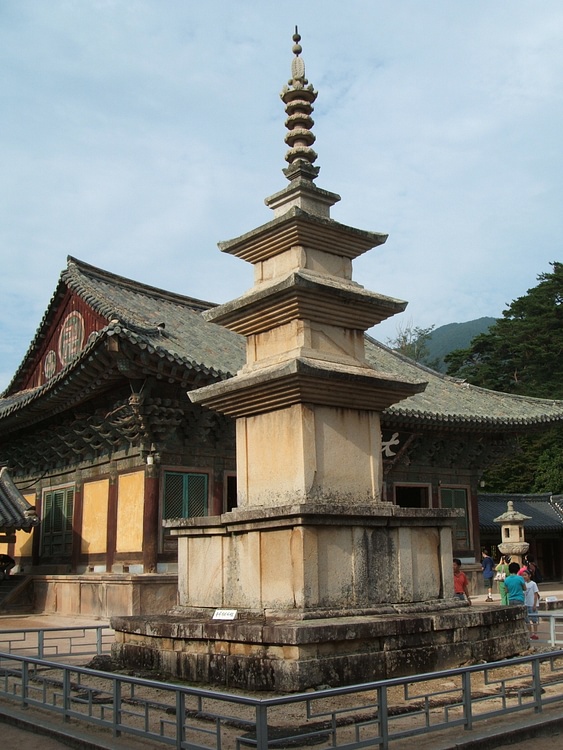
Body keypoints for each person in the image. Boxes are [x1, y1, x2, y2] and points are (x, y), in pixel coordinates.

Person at [521, 568, 540, 640]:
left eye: (525, 575)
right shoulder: (523, 584)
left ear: (529, 575)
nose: (524, 577)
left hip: (532, 603)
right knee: (527, 620)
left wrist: (534, 604)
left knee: (534, 619)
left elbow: (536, 594)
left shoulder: (533, 584)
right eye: (523, 575)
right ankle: (530, 633)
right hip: (526, 603)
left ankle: (535, 633)